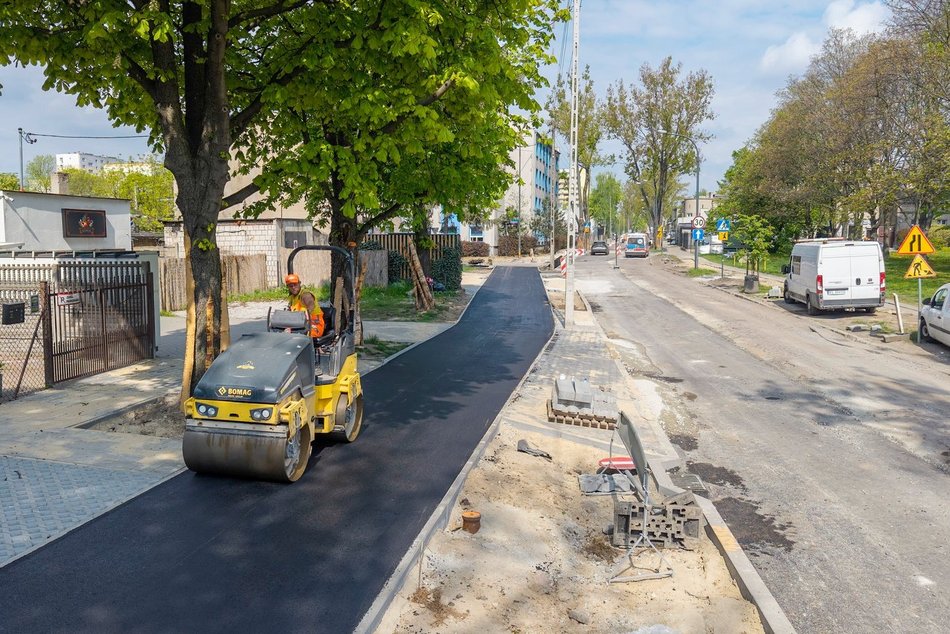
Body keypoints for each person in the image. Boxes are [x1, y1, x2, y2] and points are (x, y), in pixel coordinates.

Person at [284, 273, 325, 337]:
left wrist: (306, 315)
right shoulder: (292, 298)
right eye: (290, 286)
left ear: (299, 283)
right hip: (300, 326)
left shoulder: (305, 294)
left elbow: (311, 305)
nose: (293, 287)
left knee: (299, 337)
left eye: (295, 284)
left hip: (314, 326)